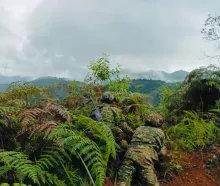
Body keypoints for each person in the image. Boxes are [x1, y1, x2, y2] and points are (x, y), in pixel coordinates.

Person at [117, 113, 167, 186]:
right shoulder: (160, 132)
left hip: (129, 155)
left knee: (123, 182)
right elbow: (162, 153)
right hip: (145, 158)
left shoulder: (139, 128)